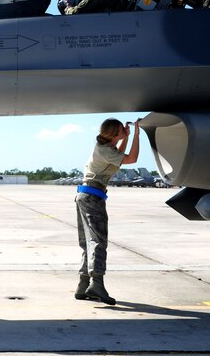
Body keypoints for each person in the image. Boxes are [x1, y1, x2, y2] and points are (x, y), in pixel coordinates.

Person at [74, 117, 142, 305]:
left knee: (88, 242)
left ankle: (83, 284)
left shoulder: (105, 149)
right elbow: (131, 159)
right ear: (115, 134)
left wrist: (126, 137)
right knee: (98, 241)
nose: (124, 130)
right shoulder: (104, 150)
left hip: (86, 195)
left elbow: (118, 157)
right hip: (93, 197)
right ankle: (96, 283)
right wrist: (137, 133)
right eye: (122, 129)